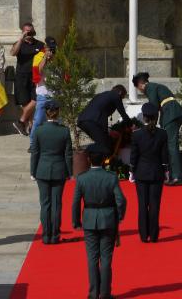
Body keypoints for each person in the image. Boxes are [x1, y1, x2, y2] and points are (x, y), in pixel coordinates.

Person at [72, 143, 126, 299]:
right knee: (106, 259)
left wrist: (76, 221)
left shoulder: (82, 178)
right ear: (104, 160)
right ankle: (105, 293)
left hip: (89, 219)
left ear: (88, 159)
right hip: (108, 219)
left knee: (92, 258)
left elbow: (76, 202)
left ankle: (93, 293)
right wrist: (119, 216)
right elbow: (121, 200)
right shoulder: (111, 177)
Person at [30, 100, 72, 244]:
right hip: (59, 170)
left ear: (46, 112)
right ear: (57, 112)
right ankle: (55, 235)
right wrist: (69, 171)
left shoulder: (39, 130)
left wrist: (32, 171)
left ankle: (46, 235)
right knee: (56, 204)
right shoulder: (64, 131)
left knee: (45, 204)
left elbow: (35, 153)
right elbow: (68, 154)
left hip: (42, 170)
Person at [133, 72, 182, 186]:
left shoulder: (150, 87)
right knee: (170, 145)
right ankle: (174, 175)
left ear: (141, 84)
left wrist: (148, 127)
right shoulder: (156, 86)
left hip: (170, 114)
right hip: (172, 113)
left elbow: (153, 108)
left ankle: (177, 177)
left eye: (138, 88)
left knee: (171, 146)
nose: (140, 91)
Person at [130, 103, 168, 243]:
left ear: (144, 117)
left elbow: (134, 156)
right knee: (155, 204)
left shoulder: (137, 134)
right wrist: (166, 170)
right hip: (157, 172)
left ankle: (143, 234)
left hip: (141, 172)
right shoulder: (162, 134)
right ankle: (153, 235)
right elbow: (164, 155)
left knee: (142, 204)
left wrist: (132, 170)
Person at [11, 23, 44, 136]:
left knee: (35, 100)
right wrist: (21, 39)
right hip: (21, 76)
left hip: (35, 77)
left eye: (30, 32)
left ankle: (21, 122)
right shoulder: (19, 44)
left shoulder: (39, 44)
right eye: (26, 32)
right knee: (25, 103)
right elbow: (13, 53)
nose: (28, 34)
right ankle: (30, 126)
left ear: (33, 31)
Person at [78, 85, 131, 154]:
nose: (121, 99)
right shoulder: (115, 95)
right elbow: (123, 113)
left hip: (82, 120)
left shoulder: (102, 95)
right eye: (122, 97)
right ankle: (86, 153)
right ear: (120, 92)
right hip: (93, 121)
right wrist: (131, 124)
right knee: (104, 145)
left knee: (102, 142)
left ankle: (96, 160)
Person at [28, 36, 57, 152]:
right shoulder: (38, 56)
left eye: (52, 48)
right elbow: (38, 71)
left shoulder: (59, 58)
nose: (51, 50)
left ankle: (53, 143)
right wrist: (45, 58)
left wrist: (54, 58)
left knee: (56, 121)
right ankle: (33, 144)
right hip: (43, 93)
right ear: (45, 47)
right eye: (49, 48)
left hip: (56, 93)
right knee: (39, 120)